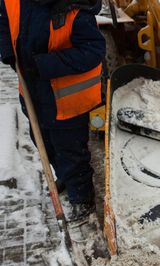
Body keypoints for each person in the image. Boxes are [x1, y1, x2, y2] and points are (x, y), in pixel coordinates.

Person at [0, 0, 105, 222]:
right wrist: (7, 50)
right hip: (33, 95)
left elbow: (93, 50)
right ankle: (66, 178)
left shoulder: (75, 10)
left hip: (65, 100)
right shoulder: (15, 2)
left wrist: (45, 65)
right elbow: (3, 19)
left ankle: (81, 197)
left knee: (70, 151)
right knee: (44, 144)